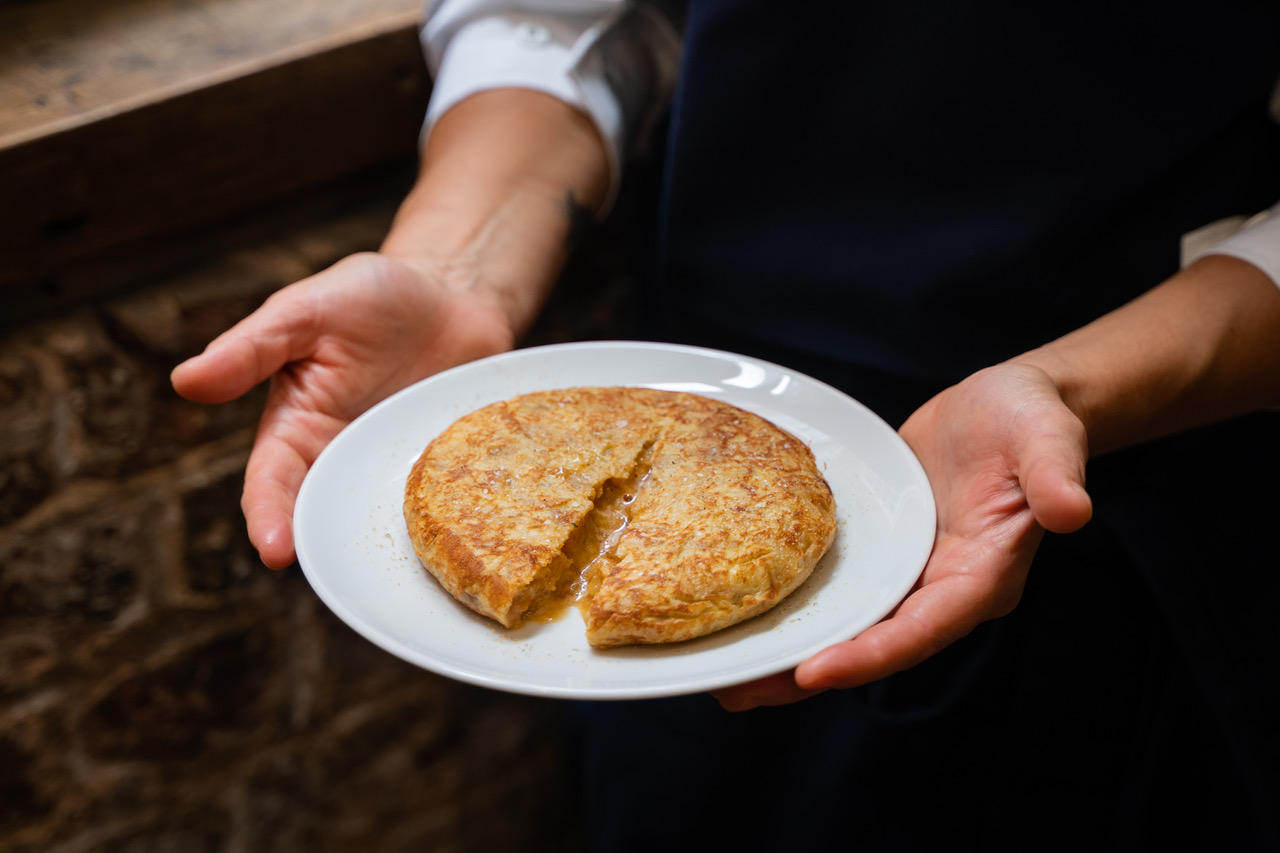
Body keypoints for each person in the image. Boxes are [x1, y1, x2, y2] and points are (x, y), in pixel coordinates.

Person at [173, 1, 1280, 847]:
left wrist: (1075, 391)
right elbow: (576, 20)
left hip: (1122, 482)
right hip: (708, 417)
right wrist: (451, 269)